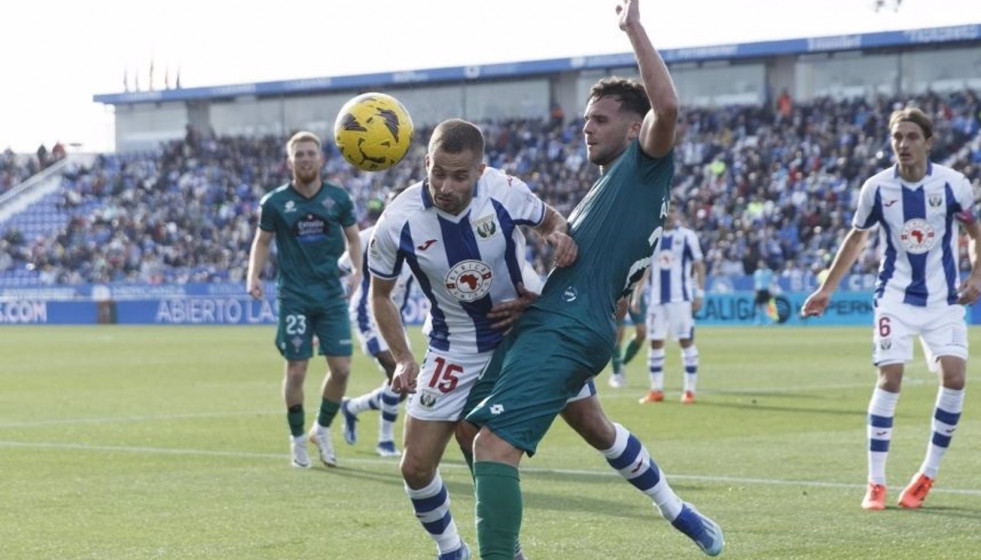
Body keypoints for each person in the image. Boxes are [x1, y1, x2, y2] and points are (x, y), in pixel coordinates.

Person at [465, 2, 724, 558]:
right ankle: (679, 512)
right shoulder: (606, 193)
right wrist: (538, 297)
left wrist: (633, 28)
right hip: (554, 320)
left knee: (492, 446)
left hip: (567, 330)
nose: (586, 125)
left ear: (636, 130)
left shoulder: (643, 165)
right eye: (586, 118)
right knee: (493, 427)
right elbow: (614, 272)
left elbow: (669, 106)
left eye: (599, 118)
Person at [369, 118, 577, 560]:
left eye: (459, 175)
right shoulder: (397, 220)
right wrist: (404, 358)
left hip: (517, 332)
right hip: (452, 343)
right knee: (415, 466)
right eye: (437, 172)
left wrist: (557, 237)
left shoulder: (504, 189)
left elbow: (551, 221)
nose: (445, 185)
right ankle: (452, 550)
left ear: (479, 171)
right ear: (426, 162)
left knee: (581, 425)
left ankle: (504, 546)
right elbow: (381, 295)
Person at [802, 106, 981, 511]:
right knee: (891, 379)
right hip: (895, 298)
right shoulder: (877, 189)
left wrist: (975, 277)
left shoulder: (953, 185)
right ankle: (876, 483)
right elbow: (856, 240)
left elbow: (974, 233)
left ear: (928, 142)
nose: (903, 144)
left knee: (954, 377)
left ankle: (926, 475)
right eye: (898, 137)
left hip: (943, 300)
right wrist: (826, 289)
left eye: (912, 136)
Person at [246, 130, 362, 469]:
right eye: (299, 155)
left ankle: (321, 430)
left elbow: (354, 239)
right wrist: (253, 275)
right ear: (290, 161)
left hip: (330, 294)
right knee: (296, 370)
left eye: (311, 153)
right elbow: (262, 241)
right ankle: (297, 440)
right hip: (294, 295)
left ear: (321, 159)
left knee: (342, 369)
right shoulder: (275, 202)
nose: (306, 159)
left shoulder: (338, 199)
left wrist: (356, 270)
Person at [337, 192, 413, 458]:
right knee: (395, 369)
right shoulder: (368, 236)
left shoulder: (421, 238)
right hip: (367, 311)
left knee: (404, 382)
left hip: (394, 318)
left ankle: (353, 407)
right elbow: (342, 267)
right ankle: (385, 441)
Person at [636, 205, 706, 404]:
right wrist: (636, 296)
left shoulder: (687, 236)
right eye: (667, 210)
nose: (670, 214)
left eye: (673, 210)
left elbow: (699, 265)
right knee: (655, 342)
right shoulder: (653, 237)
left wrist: (699, 293)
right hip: (656, 300)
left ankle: (689, 391)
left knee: (685, 341)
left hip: (680, 299)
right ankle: (656, 390)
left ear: (678, 214)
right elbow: (646, 268)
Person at [606, 295, 647, 389]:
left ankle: (620, 364)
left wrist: (637, 293)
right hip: (618, 293)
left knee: (642, 332)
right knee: (618, 334)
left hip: (634, 293)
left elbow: (642, 279)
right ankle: (616, 374)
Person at [752, 259, 774, 325]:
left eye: (762, 263)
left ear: (765, 264)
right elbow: (756, 283)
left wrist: (772, 291)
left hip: (767, 290)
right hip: (759, 290)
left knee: (769, 306)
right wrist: (755, 292)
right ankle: (758, 321)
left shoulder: (769, 272)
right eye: (760, 264)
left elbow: (771, 282)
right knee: (759, 307)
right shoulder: (757, 273)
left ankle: (770, 321)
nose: (761, 265)